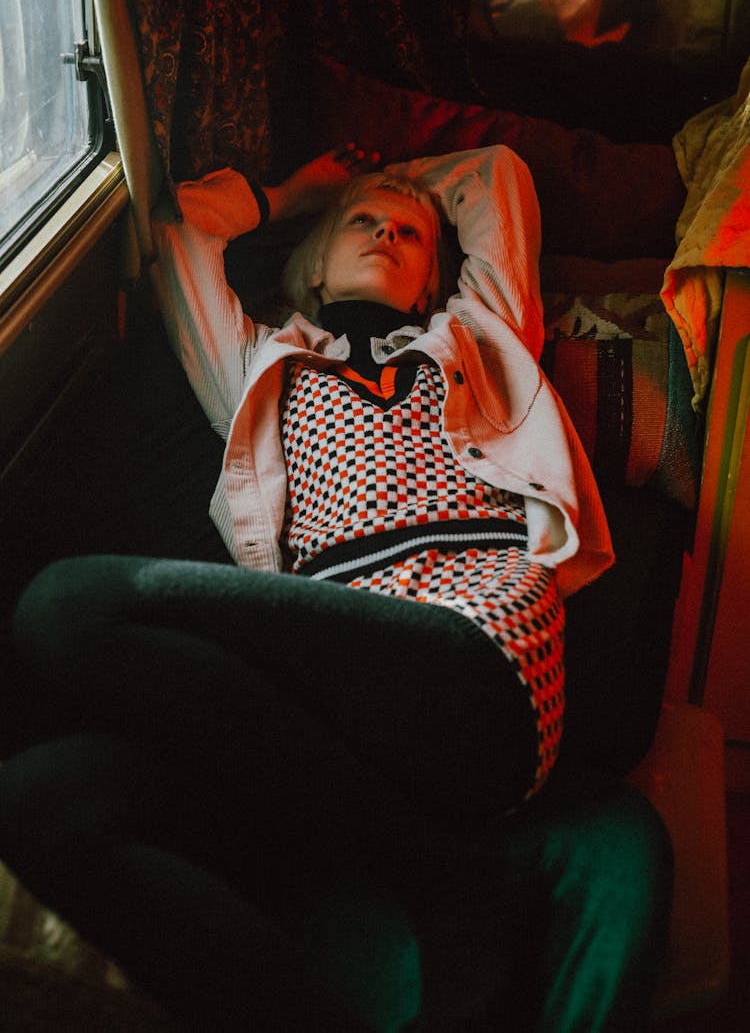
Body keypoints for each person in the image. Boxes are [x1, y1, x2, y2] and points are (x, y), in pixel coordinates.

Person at [0, 144, 670, 1031]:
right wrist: (299, 192)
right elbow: (181, 230)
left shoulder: (475, 336)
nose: (389, 232)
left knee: (65, 607)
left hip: (479, 651)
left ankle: (441, 883)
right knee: (40, 805)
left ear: (438, 276)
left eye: (410, 234)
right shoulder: (257, 366)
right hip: (325, 697)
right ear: (310, 265)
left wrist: (374, 187)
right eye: (366, 224)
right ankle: (396, 911)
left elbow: (498, 174)